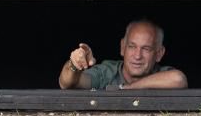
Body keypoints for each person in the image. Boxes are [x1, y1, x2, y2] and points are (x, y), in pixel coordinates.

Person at [58, 19, 188, 90]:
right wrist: (74, 65)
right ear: (122, 48)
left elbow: (178, 79)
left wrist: (127, 89)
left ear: (159, 54)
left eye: (146, 49)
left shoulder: (161, 73)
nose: (137, 56)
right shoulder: (106, 72)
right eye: (132, 47)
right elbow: (67, 83)